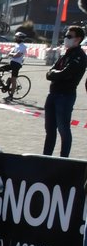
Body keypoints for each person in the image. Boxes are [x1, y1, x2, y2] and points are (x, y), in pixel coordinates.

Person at [44, 24, 87, 158]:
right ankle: (46, 157)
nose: (66, 38)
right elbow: (50, 72)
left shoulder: (79, 56)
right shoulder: (65, 54)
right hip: (53, 94)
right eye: (66, 35)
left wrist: (55, 74)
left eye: (69, 36)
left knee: (63, 129)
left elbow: (65, 73)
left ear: (78, 39)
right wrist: (55, 73)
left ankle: (64, 159)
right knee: (50, 129)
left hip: (65, 96)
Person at [4, 33, 27, 101]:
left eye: (17, 37)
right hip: (12, 63)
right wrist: (12, 54)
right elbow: (10, 54)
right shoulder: (16, 45)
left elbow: (17, 55)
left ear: (21, 38)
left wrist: (12, 54)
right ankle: (5, 84)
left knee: (13, 79)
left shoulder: (23, 47)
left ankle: (11, 96)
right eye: (15, 37)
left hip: (17, 64)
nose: (15, 38)